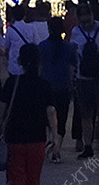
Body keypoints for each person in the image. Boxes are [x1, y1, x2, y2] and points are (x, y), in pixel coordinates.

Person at [0, 44, 58, 185]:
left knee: (16, 178)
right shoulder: (44, 85)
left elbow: (1, 107)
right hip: (37, 139)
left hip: (15, 138)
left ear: (20, 61)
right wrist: (55, 137)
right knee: (33, 179)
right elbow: (51, 111)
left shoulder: (12, 82)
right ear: (39, 61)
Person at [70, 3, 99, 161]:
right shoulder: (77, 32)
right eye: (83, 21)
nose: (86, 24)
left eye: (87, 21)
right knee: (85, 116)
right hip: (84, 79)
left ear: (92, 16)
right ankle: (88, 146)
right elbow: (73, 54)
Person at [39, 16, 78, 163]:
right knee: (61, 120)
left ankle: (50, 141)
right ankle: (56, 150)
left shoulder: (42, 46)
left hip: (46, 88)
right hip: (63, 87)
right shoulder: (69, 48)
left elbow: (39, 68)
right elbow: (71, 69)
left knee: (46, 120)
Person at [4, 4, 31, 78]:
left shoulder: (10, 29)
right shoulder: (30, 28)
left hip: (14, 64)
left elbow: (6, 46)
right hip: (27, 63)